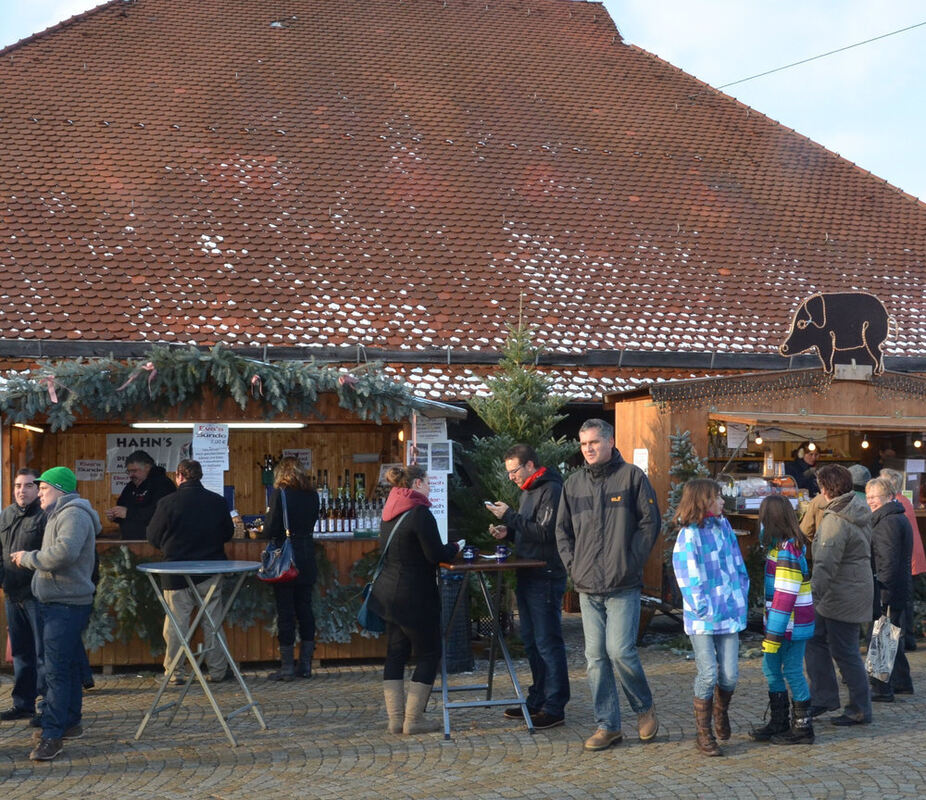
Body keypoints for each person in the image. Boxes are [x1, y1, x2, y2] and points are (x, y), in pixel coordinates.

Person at [555, 418, 661, 752]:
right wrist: (573, 565)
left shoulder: (632, 478)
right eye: (583, 444)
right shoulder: (573, 484)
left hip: (623, 582)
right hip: (587, 585)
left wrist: (631, 560)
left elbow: (650, 523)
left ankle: (643, 708)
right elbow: (562, 532)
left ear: (610, 442)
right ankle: (608, 726)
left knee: (620, 651)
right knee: (595, 658)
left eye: (594, 443)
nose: (587, 449)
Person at [10, 466, 99, 762]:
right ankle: (71, 722)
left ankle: (52, 735)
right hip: (60, 602)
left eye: (44, 488)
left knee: (57, 671)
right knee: (70, 666)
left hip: (66, 603)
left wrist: (28, 558)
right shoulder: (60, 513)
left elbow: (63, 554)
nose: (40, 493)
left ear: (59, 489)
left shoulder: (72, 514)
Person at [367, 465, 460, 735]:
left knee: (395, 652)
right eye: (428, 482)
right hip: (414, 595)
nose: (431, 487)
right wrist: (455, 547)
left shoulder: (391, 509)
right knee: (430, 653)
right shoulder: (419, 513)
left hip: (388, 594)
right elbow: (435, 554)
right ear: (417, 483)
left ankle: (396, 719)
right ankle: (414, 720)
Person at [487, 444, 570, 730]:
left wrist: (510, 518)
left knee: (548, 642)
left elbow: (546, 533)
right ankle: (537, 699)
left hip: (545, 574)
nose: (511, 477)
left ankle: (555, 706)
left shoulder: (551, 489)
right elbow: (529, 529)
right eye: (508, 472)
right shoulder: (529, 490)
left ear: (531, 466)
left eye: (514, 471)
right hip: (528, 572)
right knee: (533, 641)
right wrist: (508, 533)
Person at [671, 479, 749, 756]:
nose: (722, 502)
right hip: (703, 619)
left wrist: (741, 593)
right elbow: (687, 577)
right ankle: (703, 734)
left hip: (729, 612)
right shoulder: (688, 536)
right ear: (704, 501)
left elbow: (738, 564)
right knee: (708, 673)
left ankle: (721, 711)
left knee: (729, 676)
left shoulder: (724, 526)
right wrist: (703, 608)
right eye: (717, 497)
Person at [146, 459, 234, 684]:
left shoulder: (167, 503)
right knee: (212, 622)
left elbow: (153, 537)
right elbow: (227, 534)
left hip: (176, 572)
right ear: (200, 476)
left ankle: (175, 673)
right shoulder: (218, 502)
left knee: (176, 625)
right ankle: (217, 671)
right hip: (211, 570)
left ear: (179, 476)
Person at [804, 464, 873, 726]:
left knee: (845, 652)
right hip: (848, 590)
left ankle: (859, 708)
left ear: (825, 488)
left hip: (841, 594)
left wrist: (811, 598)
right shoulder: (855, 508)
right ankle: (824, 697)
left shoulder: (835, 520)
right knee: (817, 639)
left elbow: (824, 565)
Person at [749, 494, 815, 745]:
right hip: (782, 624)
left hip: (790, 625)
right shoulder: (779, 547)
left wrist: (773, 636)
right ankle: (779, 721)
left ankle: (803, 728)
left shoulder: (787, 551)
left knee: (793, 672)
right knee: (771, 669)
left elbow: (785, 597)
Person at [264, 456, 320, 681]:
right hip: (307, 554)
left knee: (286, 611)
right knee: (305, 609)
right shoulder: (313, 495)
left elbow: (269, 529)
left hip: (286, 559)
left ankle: (287, 668)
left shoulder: (281, 494)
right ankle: (305, 666)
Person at [0, 469, 47, 724]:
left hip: (36, 595)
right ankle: (22, 704)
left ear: (37, 489)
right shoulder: (6, 514)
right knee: (20, 653)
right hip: (12, 593)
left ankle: (44, 707)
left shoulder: (44, 516)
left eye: (28, 485)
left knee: (42, 654)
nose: (21, 490)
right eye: (18, 485)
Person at [864, 476, 914, 700]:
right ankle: (903, 681)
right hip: (898, 586)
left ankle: (882, 688)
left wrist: (883, 594)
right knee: (891, 633)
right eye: (868, 496)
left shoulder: (887, 522)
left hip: (889, 588)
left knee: (883, 635)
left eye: (874, 496)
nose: (870, 501)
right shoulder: (895, 516)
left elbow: (887, 561)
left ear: (887, 496)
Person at [879, 468, 926, 651]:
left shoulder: (897, 502)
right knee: (906, 600)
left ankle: (905, 640)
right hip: (912, 555)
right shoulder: (903, 500)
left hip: (906, 557)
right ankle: (908, 640)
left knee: (903, 601)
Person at [105, 449, 176, 540]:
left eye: (134, 471)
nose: (131, 475)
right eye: (128, 471)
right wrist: (115, 515)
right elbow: (123, 509)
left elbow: (160, 514)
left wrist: (128, 513)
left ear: (147, 467)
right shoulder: (130, 487)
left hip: (156, 544)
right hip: (130, 543)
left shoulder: (163, 485)